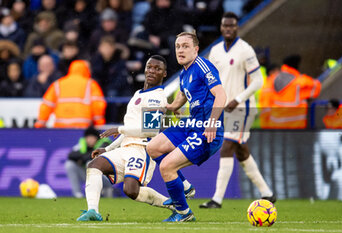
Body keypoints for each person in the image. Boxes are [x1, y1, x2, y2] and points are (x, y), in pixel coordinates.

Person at [76, 55, 176, 221]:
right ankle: (93, 211)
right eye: (149, 67)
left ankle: (177, 207)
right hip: (126, 147)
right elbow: (130, 130)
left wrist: (119, 128)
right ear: (144, 69)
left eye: (157, 69)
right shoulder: (138, 93)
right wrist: (108, 149)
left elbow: (149, 131)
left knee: (131, 191)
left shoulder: (157, 97)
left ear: (164, 74)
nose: (152, 71)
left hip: (142, 149)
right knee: (94, 165)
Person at [146, 31, 227, 222]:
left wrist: (212, 123)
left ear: (196, 49)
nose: (180, 50)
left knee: (166, 166)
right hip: (191, 123)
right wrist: (172, 106)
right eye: (177, 46)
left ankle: (183, 213)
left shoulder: (202, 66)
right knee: (153, 147)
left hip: (207, 130)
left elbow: (221, 95)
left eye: (185, 46)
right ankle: (185, 187)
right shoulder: (185, 72)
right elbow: (184, 93)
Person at [199, 12, 275, 209]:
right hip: (223, 108)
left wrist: (238, 99)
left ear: (237, 28)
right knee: (242, 152)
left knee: (227, 146)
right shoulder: (215, 51)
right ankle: (267, 193)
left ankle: (217, 199)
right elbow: (210, 80)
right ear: (221, 28)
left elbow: (258, 80)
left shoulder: (245, 50)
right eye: (225, 26)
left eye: (232, 26)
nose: (228, 29)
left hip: (242, 107)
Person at [34, 60, 106, 128]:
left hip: (60, 126)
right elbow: (98, 105)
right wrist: (99, 123)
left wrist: (40, 123)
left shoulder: (58, 84)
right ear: (86, 70)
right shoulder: (91, 84)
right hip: (82, 126)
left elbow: (47, 105)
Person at [260, 54, 321, 129]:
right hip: (295, 129)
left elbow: (265, 109)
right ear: (296, 66)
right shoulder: (301, 82)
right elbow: (317, 87)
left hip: (275, 127)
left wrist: (265, 129)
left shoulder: (271, 81)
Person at [65, 126, 112, 198]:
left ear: (97, 138)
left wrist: (82, 159)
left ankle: (102, 193)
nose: (89, 140)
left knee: (90, 163)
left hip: (107, 177)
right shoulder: (83, 143)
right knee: (69, 165)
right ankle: (78, 194)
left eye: (92, 138)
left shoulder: (104, 143)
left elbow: (93, 155)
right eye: (88, 138)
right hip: (90, 175)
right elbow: (71, 155)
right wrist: (84, 157)